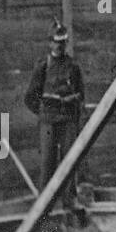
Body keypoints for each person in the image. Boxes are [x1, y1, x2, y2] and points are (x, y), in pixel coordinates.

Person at [24, 21, 85, 212]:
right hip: (48, 122)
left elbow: (80, 95)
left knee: (69, 161)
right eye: (56, 42)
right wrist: (42, 112)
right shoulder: (42, 66)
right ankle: (44, 207)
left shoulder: (73, 67)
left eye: (63, 42)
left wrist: (72, 111)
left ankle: (69, 201)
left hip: (67, 120)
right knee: (47, 163)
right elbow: (30, 97)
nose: (59, 45)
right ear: (49, 43)